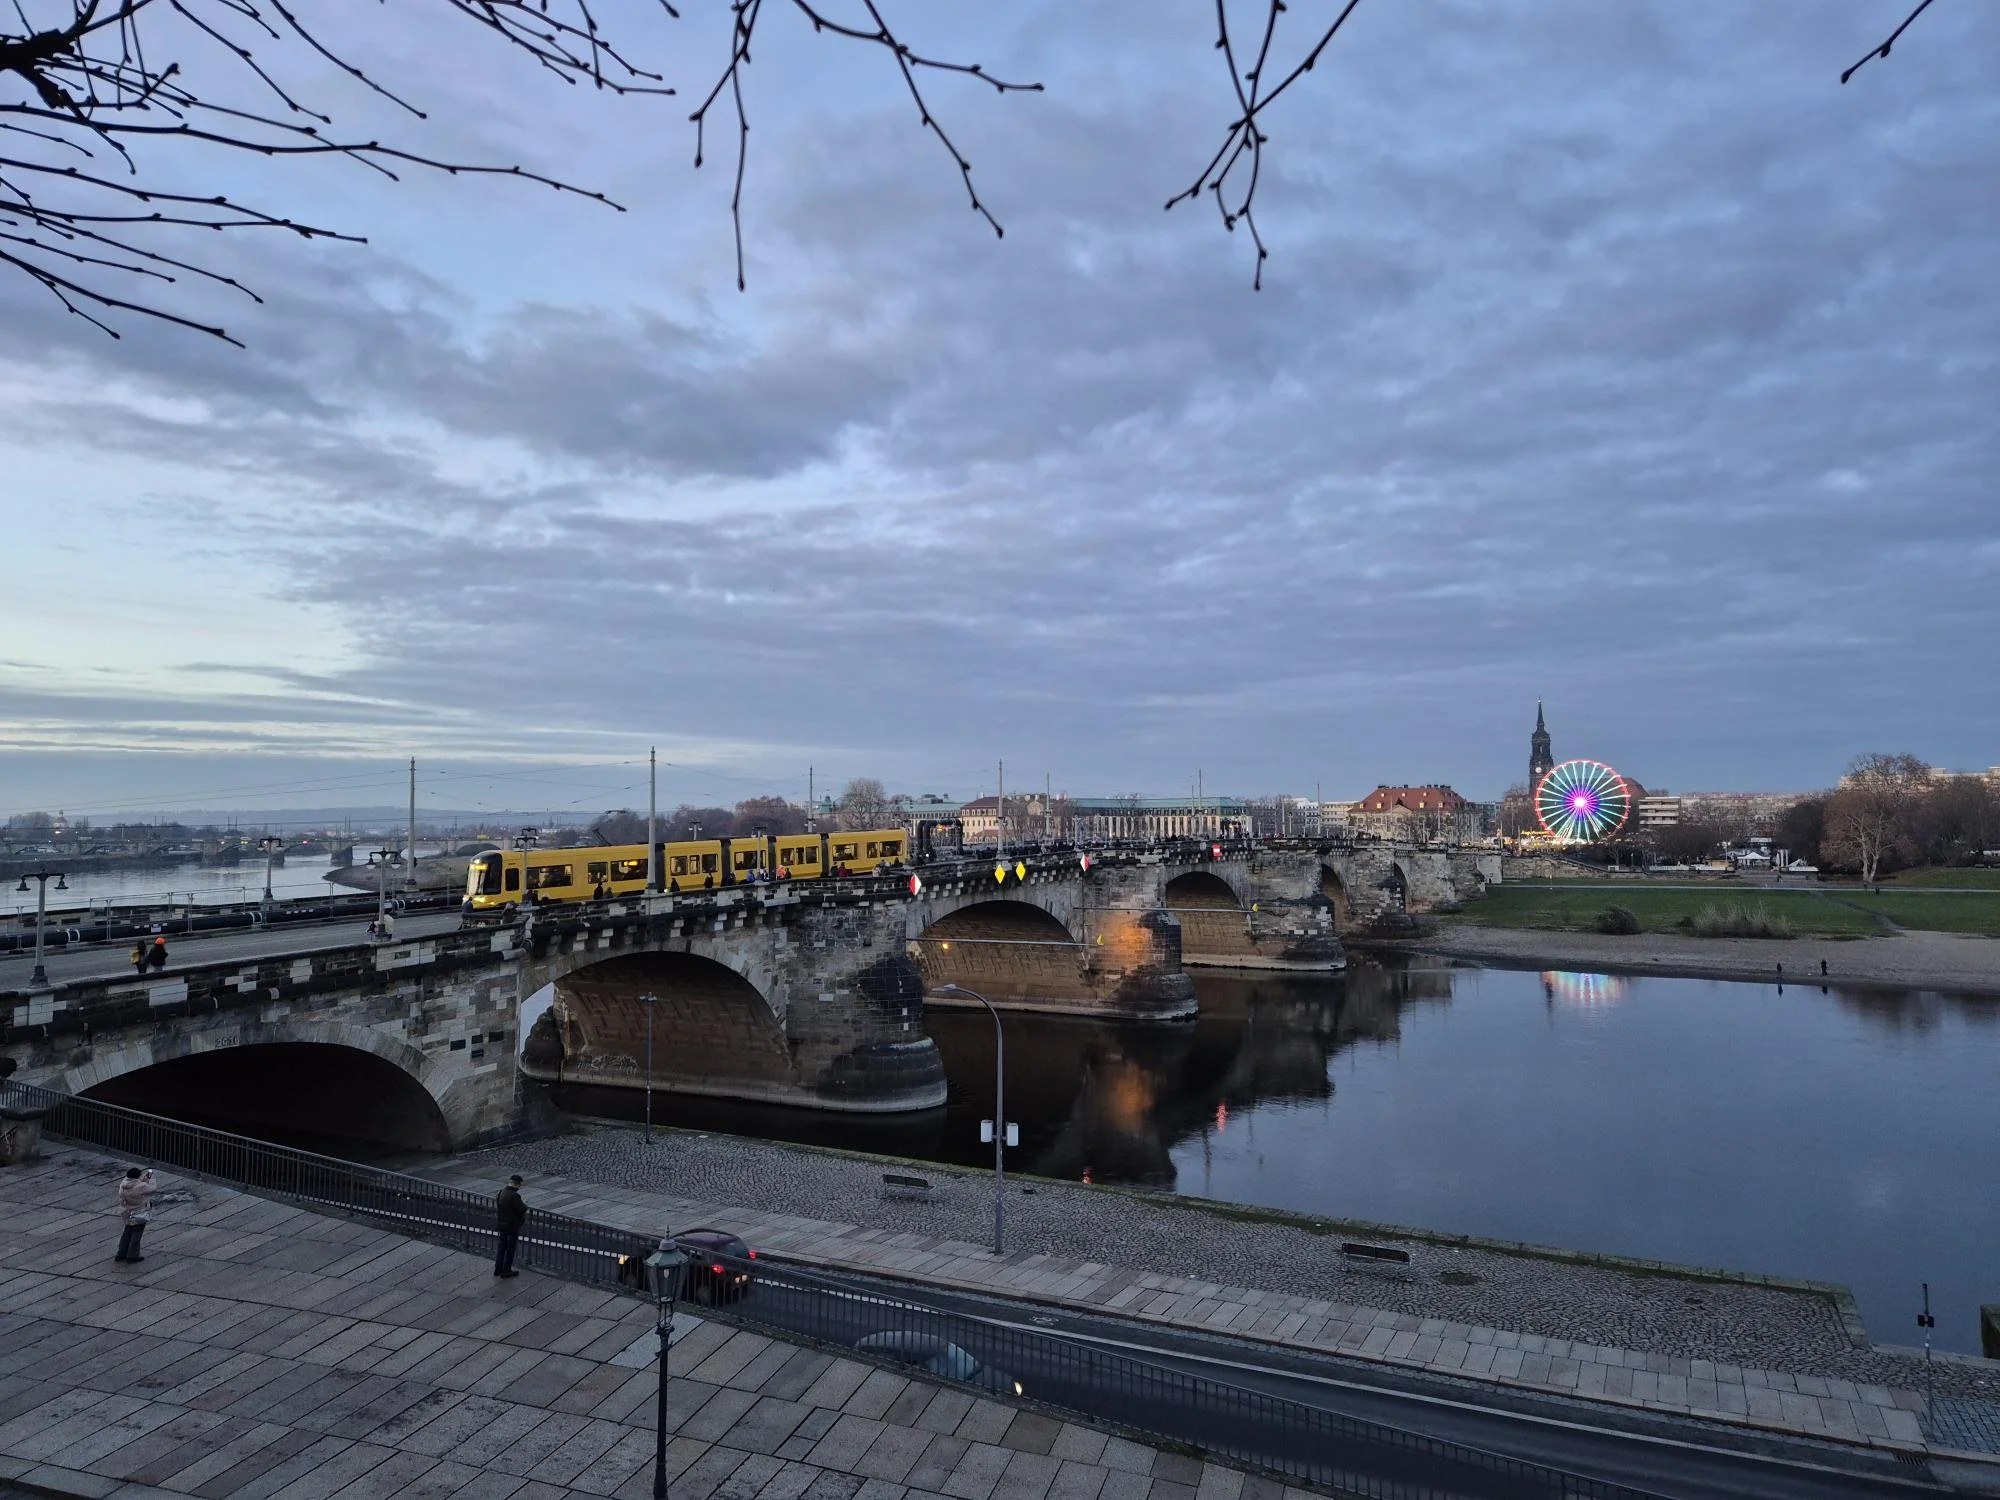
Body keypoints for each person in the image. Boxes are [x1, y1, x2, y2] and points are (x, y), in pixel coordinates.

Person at [115, 1166, 156, 1263]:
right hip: (138, 1213)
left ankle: (121, 1254)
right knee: (136, 1234)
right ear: (137, 1177)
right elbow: (152, 1188)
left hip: (126, 1212)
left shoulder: (123, 1184)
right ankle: (132, 1256)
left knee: (127, 1232)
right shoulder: (140, 1186)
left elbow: (135, 1182)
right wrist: (151, 1178)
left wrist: (142, 1178)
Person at [494, 1174, 526, 1278]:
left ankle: (498, 1269)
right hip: (511, 1226)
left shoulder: (501, 1192)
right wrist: (525, 1204)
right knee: (510, 1248)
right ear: (517, 1184)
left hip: (501, 1224)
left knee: (501, 1247)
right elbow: (522, 1209)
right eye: (520, 1185)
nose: (519, 1188)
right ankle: (506, 1270)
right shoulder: (514, 1196)